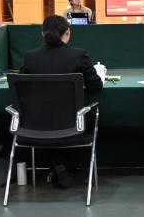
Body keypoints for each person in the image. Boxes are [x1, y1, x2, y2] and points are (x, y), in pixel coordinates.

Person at [18, 15, 103, 188]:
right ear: (68, 33)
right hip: (72, 123)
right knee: (80, 119)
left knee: (48, 123)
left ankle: (57, 165)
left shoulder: (29, 57)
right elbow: (95, 87)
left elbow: (22, 87)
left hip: (35, 123)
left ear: (42, 34)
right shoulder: (79, 55)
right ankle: (65, 166)